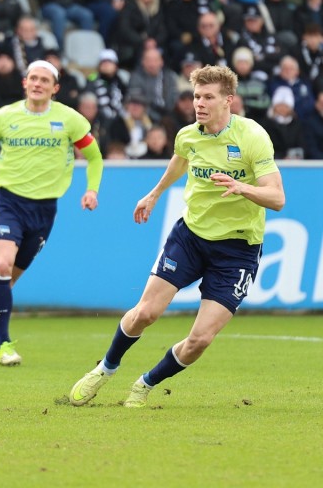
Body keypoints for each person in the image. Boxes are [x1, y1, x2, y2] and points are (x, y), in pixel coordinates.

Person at [69, 65, 284, 409]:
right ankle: (105, 369)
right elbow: (179, 162)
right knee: (146, 313)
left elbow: (277, 198)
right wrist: (153, 194)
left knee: (199, 340)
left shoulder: (252, 136)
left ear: (228, 100)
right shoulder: (188, 135)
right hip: (191, 237)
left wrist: (241, 187)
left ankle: (145, 384)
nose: (199, 103)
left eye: (208, 97)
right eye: (196, 96)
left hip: (238, 251)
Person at [0, 60, 103, 366]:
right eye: (33, 78)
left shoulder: (70, 119)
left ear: (55, 88)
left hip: (44, 210)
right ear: (25, 83)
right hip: (8, 201)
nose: (38, 83)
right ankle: (4, 345)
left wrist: (91, 189)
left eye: (45, 80)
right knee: (2, 265)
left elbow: (94, 157)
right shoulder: (4, 117)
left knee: (6, 283)